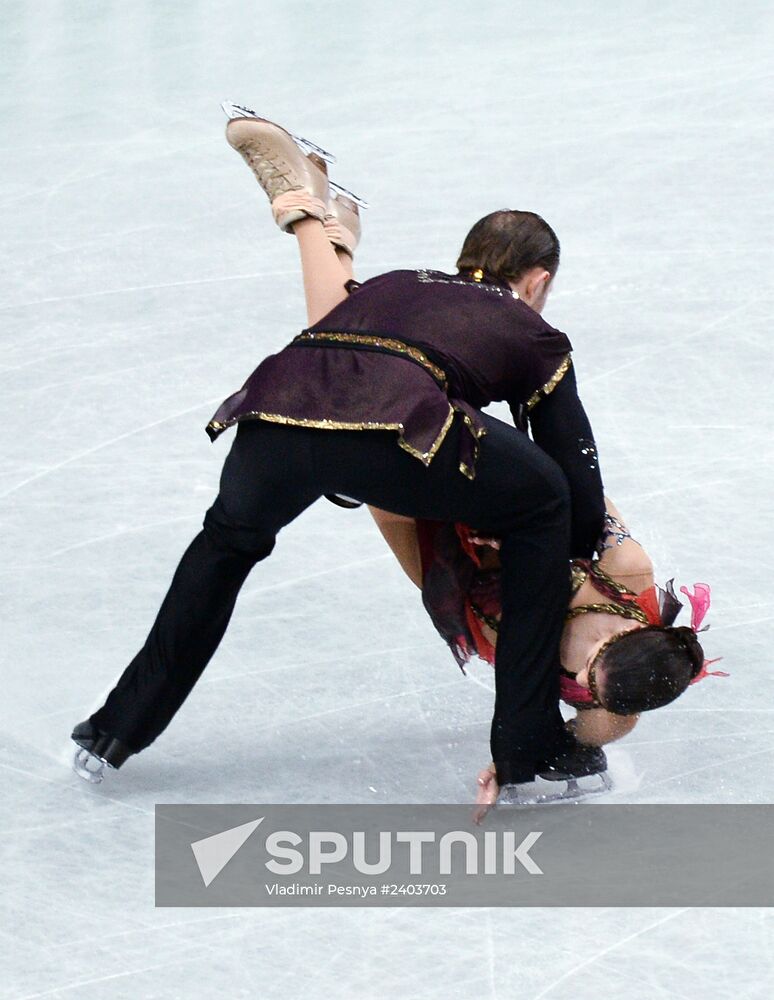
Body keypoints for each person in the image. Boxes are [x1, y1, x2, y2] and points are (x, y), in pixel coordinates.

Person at [71, 110, 611, 791]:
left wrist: (331, 239)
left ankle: (113, 730)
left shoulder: (395, 285)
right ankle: (530, 742)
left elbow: (330, 319)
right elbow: (573, 458)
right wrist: (588, 552)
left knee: (225, 547)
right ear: (536, 281)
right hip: (391, 430)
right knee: (546, 501)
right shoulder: (531, 331)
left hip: (273, 412)